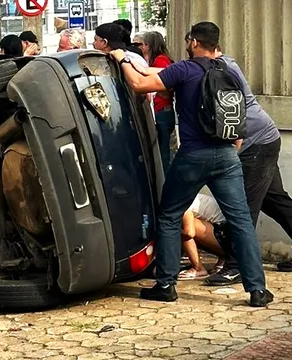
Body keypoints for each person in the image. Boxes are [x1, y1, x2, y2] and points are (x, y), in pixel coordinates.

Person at [109, 21, 273, 307]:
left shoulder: (184, 69)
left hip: (193, 157)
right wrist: (231, 151)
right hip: (226, 155)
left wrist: (121, 58)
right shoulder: (228, 71)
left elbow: (139, 84)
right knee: (241, 221)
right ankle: (257, 290)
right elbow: (238, 121)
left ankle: (166, 285)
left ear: (194, 42)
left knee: (171, 214)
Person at [204, 47, 292, 285]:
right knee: (276, 200)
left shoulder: (222, 68)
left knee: (243, 207)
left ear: (198, 43)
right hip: (265, 138)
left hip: (256, 144)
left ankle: (237, 266)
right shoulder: (222, 63)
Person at [139, 31, 175, 171]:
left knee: (164, 151)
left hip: (162, 110)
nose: (141, 48)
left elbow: (167, 84)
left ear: (148, 45)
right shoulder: (161, 59)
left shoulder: (160, 60)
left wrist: (158, 91)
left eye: (143, 44)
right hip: (163, 110)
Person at [178, 193, 229, 280]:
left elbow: (189, 233)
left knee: (183, 228)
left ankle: (198, 269)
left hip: (228, 239)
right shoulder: (189, 196)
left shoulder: (182, 202)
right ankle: (223, 259)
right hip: (228, 237)